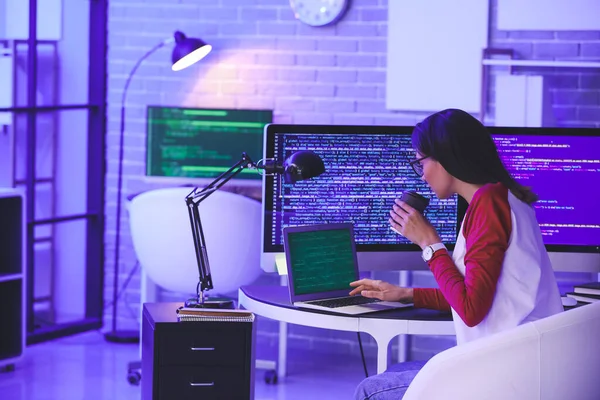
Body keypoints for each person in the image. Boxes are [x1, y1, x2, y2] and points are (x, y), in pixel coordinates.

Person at [350, 108, 563, 400]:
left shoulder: (488, 206)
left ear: (446, 157)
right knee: (398, 371)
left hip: (504, 376)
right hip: (521, 363)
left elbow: (472, 310)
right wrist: (405, 294)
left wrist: (430, 243)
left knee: (369, 391)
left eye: (420, 162)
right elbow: (481, 295)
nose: (421, 174)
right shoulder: (503, 197)